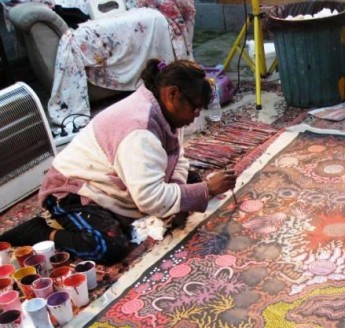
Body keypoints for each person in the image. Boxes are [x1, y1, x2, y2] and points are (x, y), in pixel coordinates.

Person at [0, 59, 237, 264]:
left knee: (189, 182)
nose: (196, 114)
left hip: (113, 181)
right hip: (74, 192)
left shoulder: (165, 111)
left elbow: (178, 157)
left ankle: (131, 212)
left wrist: (178, 189)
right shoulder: (139, 130)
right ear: (172, 94)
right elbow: (151, 200)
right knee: (110, 246)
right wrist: (206, 190)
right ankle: (41, 232)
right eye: (194, 107)